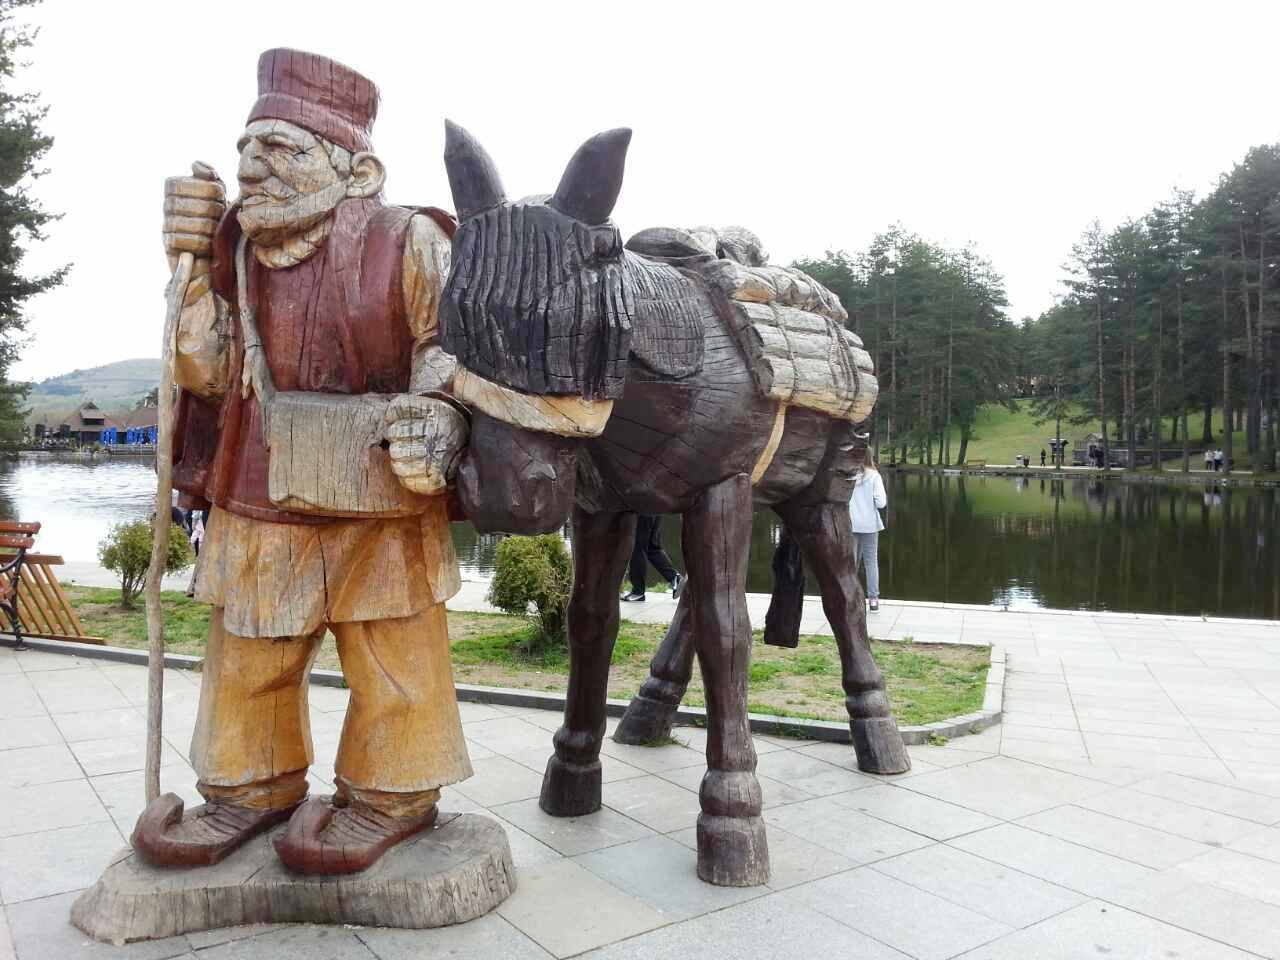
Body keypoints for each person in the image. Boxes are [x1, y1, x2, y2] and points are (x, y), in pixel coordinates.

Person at [135, 49, 471, 876]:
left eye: (281, 148)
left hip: (382, 489)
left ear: (359, 171)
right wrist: (187, 274)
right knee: (250, 655)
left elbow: (453, 349)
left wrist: (437, 413)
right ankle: (250, 789)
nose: (252, 167)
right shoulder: (233, 253)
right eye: (247, 149)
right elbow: (208, 373)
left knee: (394, 655)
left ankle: (392, 795)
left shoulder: (410, 240)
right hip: (259, 492)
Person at [849, 455, 887, 612]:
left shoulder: (848, 474)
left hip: (850, 524)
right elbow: (881, 503)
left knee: (851, 563)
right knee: (871, 562)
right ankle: (873, 600)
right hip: (870, 525)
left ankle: (851, 598)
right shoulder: (874, 476)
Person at [621, 515, 684, 602]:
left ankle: (638, 591)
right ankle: (674, 578)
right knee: (652, 548)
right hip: (656, 509)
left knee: (637, 548)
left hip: (643, 509)